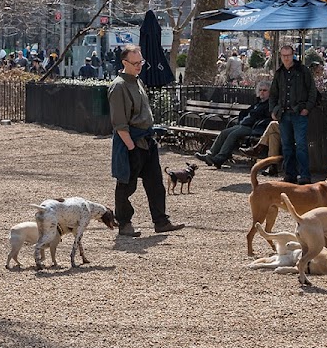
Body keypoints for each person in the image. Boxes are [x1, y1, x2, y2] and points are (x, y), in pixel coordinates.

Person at [108, 44, 184, 237]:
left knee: (155, 183)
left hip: (146, 140)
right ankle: (124, 223)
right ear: (124, 62)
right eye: (135, 63)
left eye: (140, 61)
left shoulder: (137, 81)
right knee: (126, 184)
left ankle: (161, 221)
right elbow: (120, 124)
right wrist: (131, 147)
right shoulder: (119, 86)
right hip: (130, 142)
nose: (139, 65)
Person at [269, 44, 317, 184]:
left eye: (288, 55)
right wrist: (273, 110)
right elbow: (273, 94)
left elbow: (312, 91)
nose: (286, 58)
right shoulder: (279, 73)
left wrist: (307, 108)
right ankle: (290, 174)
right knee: (287, 146)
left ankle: (305, 175)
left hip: (299, 114)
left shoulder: (303, 71)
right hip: (283, 114)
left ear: (293, 55)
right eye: (284, 56)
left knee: (301, 145)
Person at [195, 82, 272, 169]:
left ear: (270, 92)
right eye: (260, 90)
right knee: (224, 132)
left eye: (265, 90)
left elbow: (265, 118)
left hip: (254, 128)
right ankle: (210, 155)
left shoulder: (269, 104)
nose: (262, 92)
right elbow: (246, 113)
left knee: (233, 135)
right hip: (244, 125)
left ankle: (220, 158)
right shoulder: (258, 103)